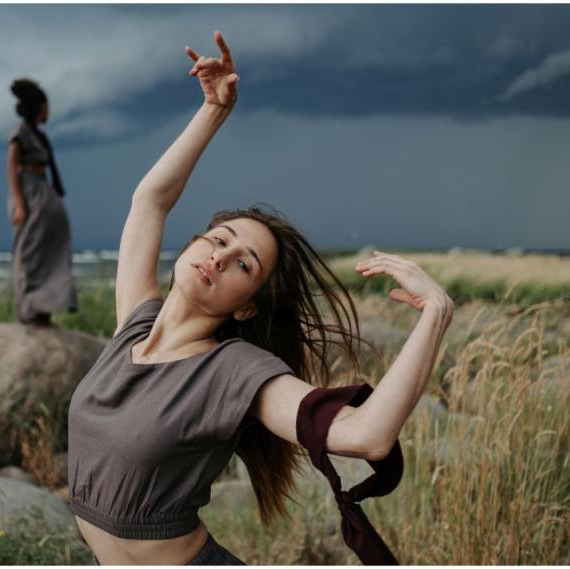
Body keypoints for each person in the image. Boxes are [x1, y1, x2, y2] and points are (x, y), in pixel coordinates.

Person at [67, 32, 454, 565]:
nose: (221, 257)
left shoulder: (234, 371)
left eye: (244, 264)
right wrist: (214, 110)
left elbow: (368, 437)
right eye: (219, 239)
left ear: (246, 306)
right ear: (193, 244)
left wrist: (436, 314)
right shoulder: (134, 328)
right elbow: (149, 201)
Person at [7, 78, 78, 325]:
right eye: (46, 106)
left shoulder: (39, 135)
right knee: (29, 251)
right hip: (29, 192)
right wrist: (20, 204)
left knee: (49, 251)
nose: (48, 110)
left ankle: (43, 308)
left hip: (42, 189)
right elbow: (11, 168)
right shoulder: (20, 133)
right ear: (38, 107)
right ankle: (28, 308)